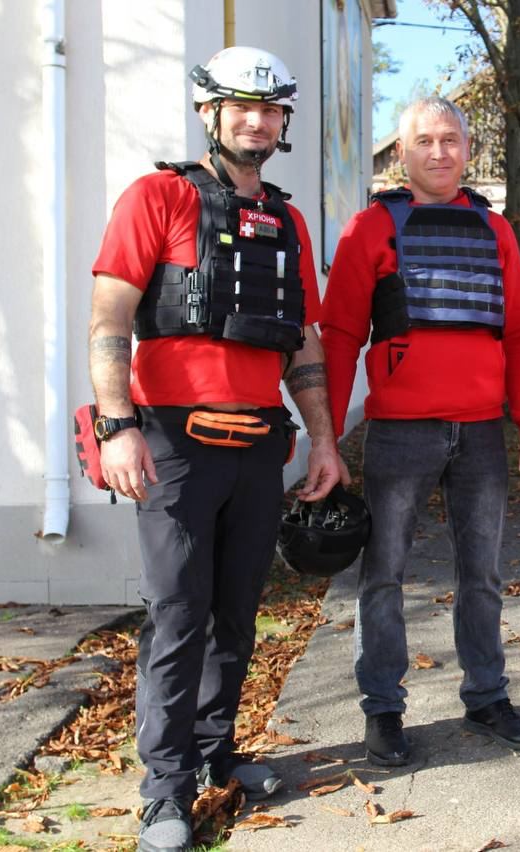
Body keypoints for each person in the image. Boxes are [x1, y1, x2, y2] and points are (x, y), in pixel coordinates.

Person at [88, 47, 344, 852]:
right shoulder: (155, 196)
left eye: (270, 110)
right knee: (178, 617)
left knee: (238, 616)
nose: (257, 121)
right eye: (241, 106)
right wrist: (116, 425)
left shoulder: (289, 219)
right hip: (174, 443)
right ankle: (164, 792)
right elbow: (109, 321)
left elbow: (302, 336)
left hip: (259, 443)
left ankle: (214, 754)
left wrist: (325, 439)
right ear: (210, 112)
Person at [319, 96, 520, 767]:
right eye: (425, 140)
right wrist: (328, 438)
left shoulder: (496, 230)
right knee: (383, 576)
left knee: (482, 574)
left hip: (480, 434)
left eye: (451, 140)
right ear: (401, 152)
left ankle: (486, 696)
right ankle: (383, 710)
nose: (439, 152)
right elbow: (338, 337)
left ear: (467, 149)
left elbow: (518, 334)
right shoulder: (371, 227)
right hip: (399, 433)